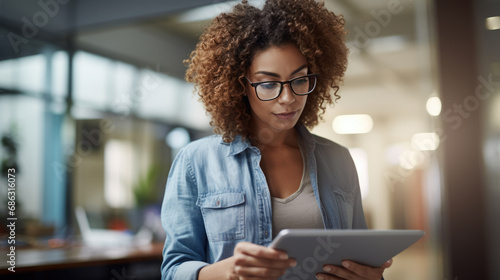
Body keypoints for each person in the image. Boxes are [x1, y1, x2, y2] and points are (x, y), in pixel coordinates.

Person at [161, 0, 392, 279]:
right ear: (241, 85)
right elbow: (173, 270)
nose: (288, 98)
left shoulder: (338, 159)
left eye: (299, 80)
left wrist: (371, 276)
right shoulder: (195, 162)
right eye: (269, 83)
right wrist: (225, 273)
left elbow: (360, 257)